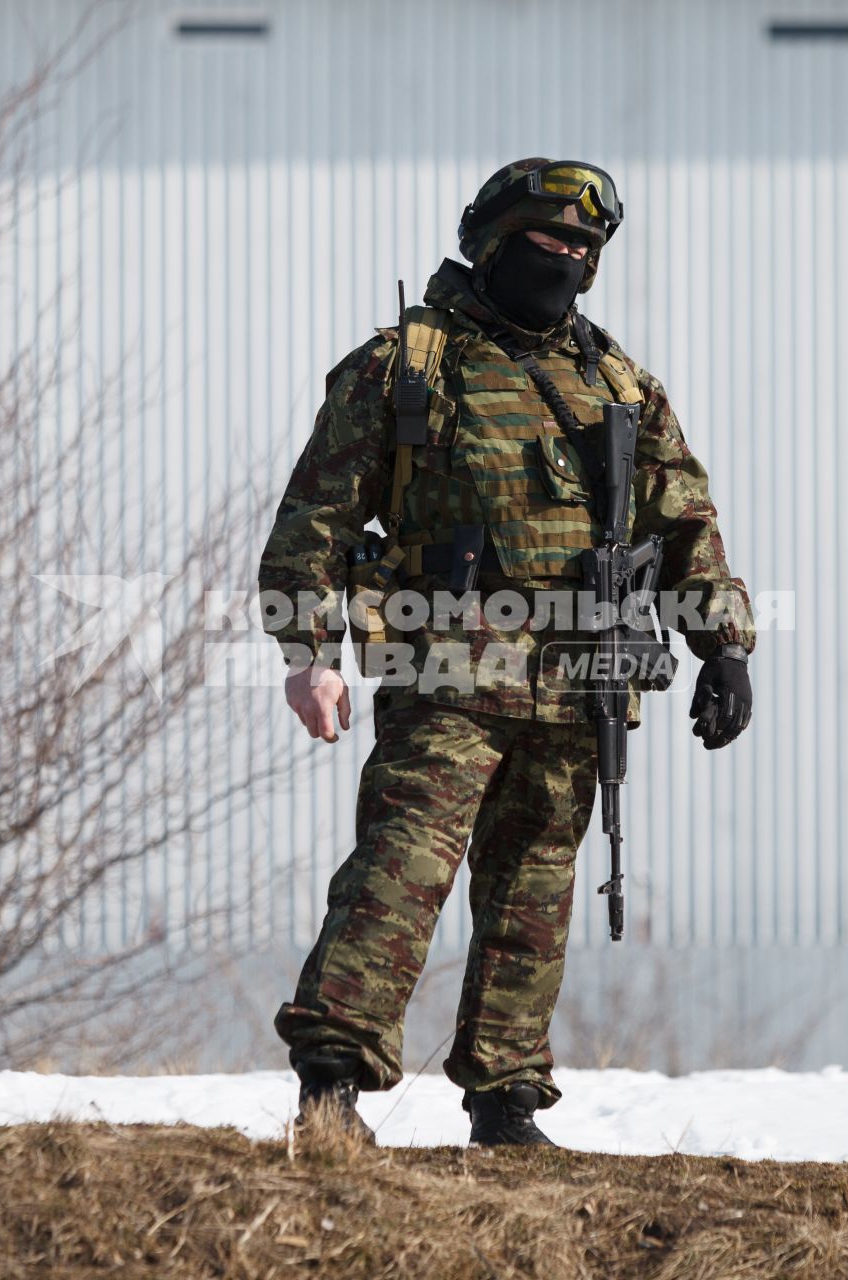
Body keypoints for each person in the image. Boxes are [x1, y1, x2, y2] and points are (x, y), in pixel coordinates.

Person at [257, 159, 755, 1147]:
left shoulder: (617, 383)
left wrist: (724, 645)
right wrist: (308, 651)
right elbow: (312, 523)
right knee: (403, 868)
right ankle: (331, 1085)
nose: (565, 258)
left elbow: (686, 521)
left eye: (583, 248)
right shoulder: (407, 365)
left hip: (581, 677)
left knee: (536, 884)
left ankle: (507, 1098)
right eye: (545, 240)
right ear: (493, 241)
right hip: (448, 667)